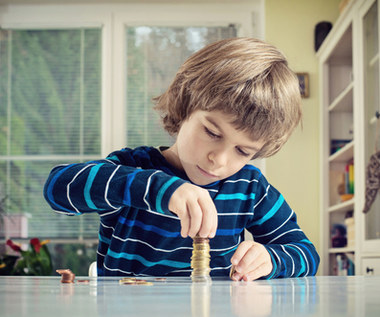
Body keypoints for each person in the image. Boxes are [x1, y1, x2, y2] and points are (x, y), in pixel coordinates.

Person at [44, 37, 319, 281]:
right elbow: (56, 189)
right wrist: (159, 189)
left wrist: (271, 260)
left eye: (243, 151)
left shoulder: (249, 188)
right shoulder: (134, 168)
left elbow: (306, 253)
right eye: (212, 132)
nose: (219, 159)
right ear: (185, 105)